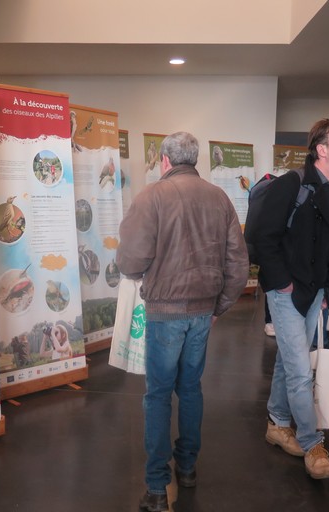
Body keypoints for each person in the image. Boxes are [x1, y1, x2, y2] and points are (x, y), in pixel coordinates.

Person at [117, 131, 249, 512]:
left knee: (158, 395)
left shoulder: (151, 197)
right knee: (190, 389)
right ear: (195, 160)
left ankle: (157, 488)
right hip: (202, 313)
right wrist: (218, 306)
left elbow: (129, 263)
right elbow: (238, 264)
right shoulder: (219, 198)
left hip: (164, 312)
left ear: (164, 160)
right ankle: (188, 468)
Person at [252, 117, 329, 479]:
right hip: (287, 293)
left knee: (289, 361)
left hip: (315, 295)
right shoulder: (290, 185)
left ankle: (277, 423)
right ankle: (314, 445)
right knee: (299, 371)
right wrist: (282, 284)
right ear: (321, 150)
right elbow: (261, 237)